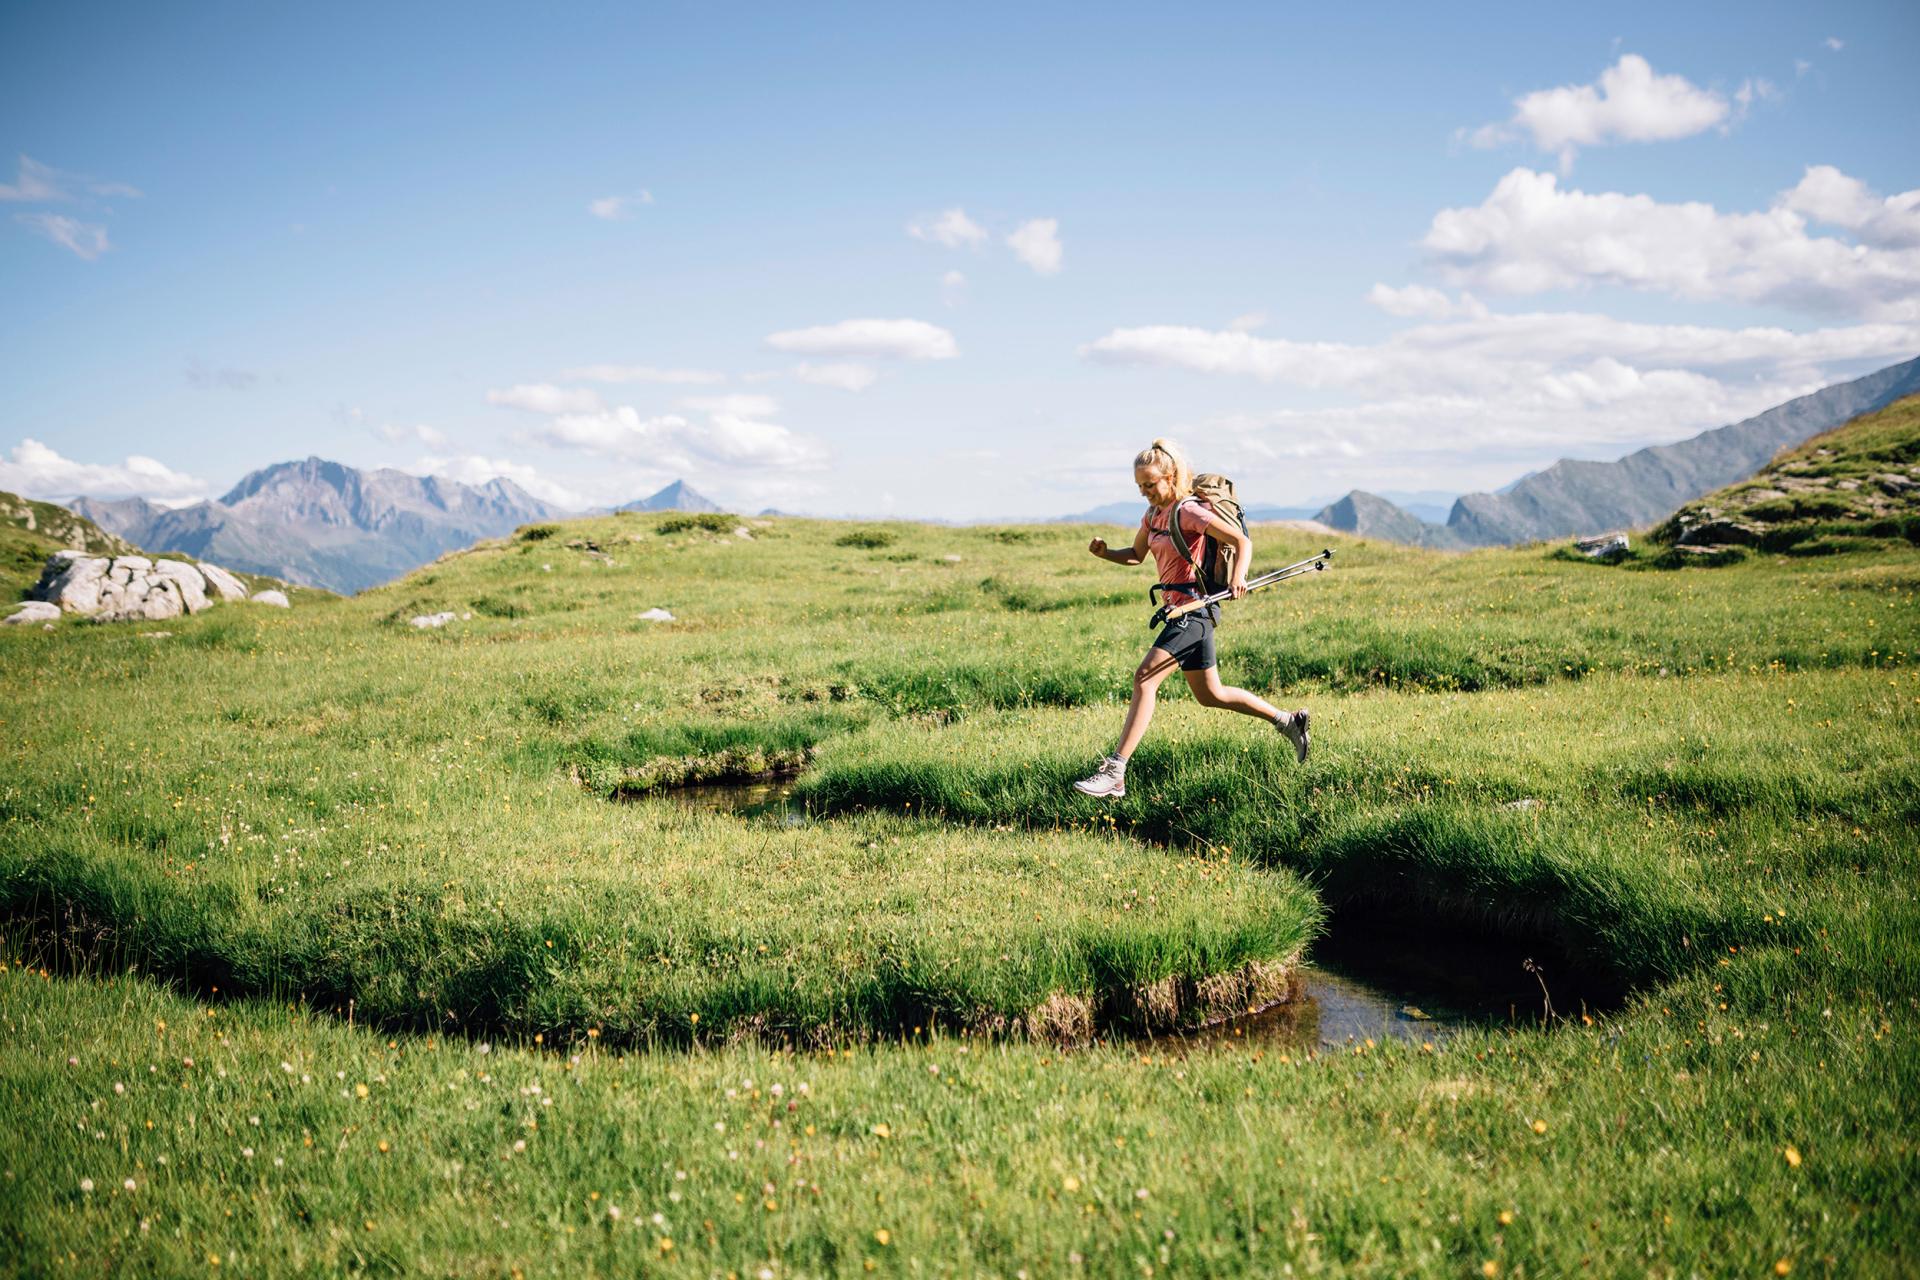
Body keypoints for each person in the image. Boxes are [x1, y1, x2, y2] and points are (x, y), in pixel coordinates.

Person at [1073, 438, 1309, 799]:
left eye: (1150, 485)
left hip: (1196, 609)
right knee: (1211, 694)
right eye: (1140, 487)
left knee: (1145, 678)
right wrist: (1105, 554)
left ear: (1170, 476)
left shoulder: (1189, 512)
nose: (1145, 492)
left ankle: (1115, 771)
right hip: (1177, 611)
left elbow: (1241, 543)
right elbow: (1137, 555)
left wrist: (1238, 576)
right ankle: (1288, 722)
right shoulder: (1153, 516)